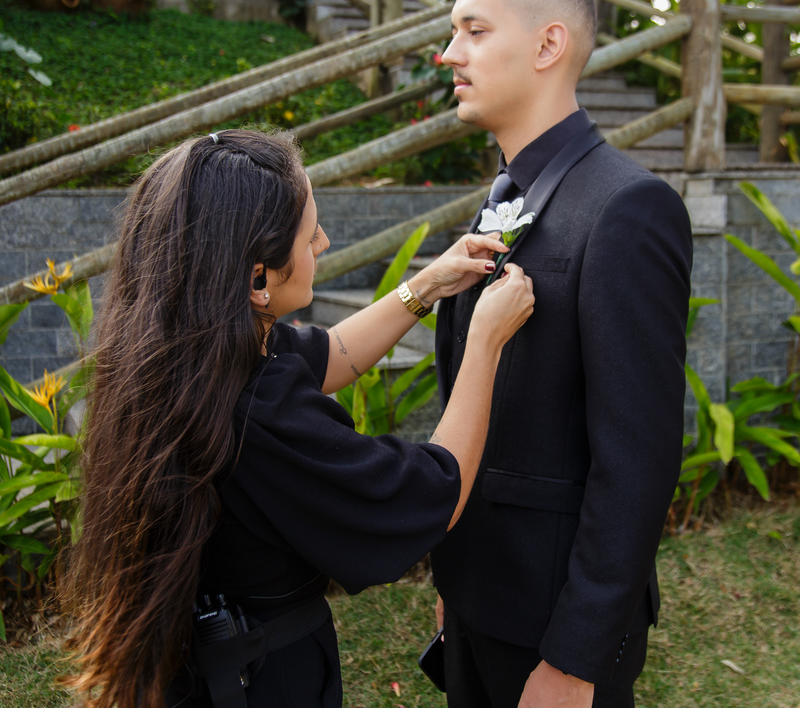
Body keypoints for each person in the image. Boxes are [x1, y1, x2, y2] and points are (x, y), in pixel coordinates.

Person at [62, 129, 536, 708]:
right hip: (261, 680)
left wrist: (426, 287)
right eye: (310, 236)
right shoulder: (259, 409)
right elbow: (435, 490)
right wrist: (485, 341)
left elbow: (331, 354)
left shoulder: (187, 353)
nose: (325, 241)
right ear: (257, 278)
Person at [431, 0, 693, 708]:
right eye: (454, 33)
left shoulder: (627, 207)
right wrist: (458, 575)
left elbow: (637, 459)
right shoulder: (506, 196)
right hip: (481, 597)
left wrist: (576, 658)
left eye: (474, 31)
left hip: (553, 625)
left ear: (549, 46)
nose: (451, 54)